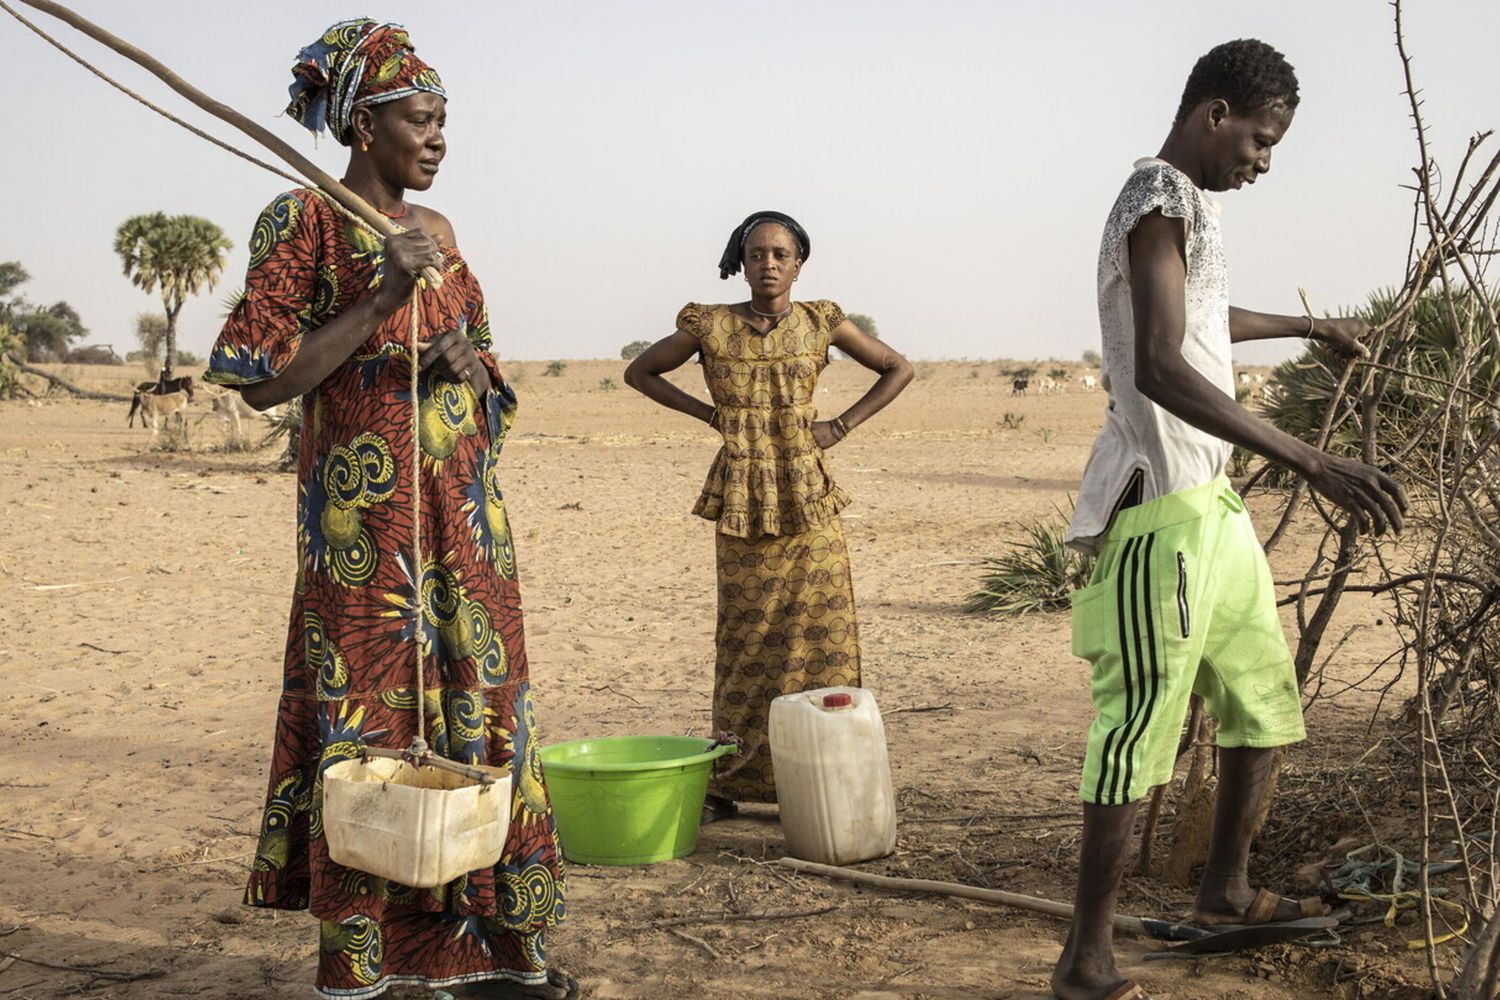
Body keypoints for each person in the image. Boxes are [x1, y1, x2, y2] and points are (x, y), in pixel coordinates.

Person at [203, 20, 576, 1000]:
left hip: (466, 524)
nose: (439, 136)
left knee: (480, 717)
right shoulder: (304, 221)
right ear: (366, 127)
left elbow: (490, 381)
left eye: (445, 119)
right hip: (364, 540)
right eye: (421, 117)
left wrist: (472, 367)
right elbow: (259, 378)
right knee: (367, 738)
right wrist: (378, 298)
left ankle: (495, 947)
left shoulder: (442, 236)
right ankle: (358, 963)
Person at [1050, 40, 1407, 1000]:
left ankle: (1225, 889)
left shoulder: (1187, 209)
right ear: (1215, 114)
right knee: (1136, 729)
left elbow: (1200, 317)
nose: (1264, 159)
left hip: (1212, 505)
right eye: (1261, 138)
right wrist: (1311, 459)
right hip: (1156, 508)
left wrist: (1306, 326)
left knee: (1260, 697)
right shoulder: (1154, 198)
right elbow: (1163, 362)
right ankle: (1084, 961)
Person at [624, 212, 913, 820]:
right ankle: (730, 781)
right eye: (757, 254)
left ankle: (821, 781)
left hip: (808, 495)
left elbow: (898, 367)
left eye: (781, 253)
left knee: (821, 639)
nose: (769, 263)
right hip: (744, 497)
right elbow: (640, 371)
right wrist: (710, 416)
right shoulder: (710, 324)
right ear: (743, 260)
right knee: (747, 639)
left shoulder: (822, 321)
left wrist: (840, 424)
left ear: (799, 262)